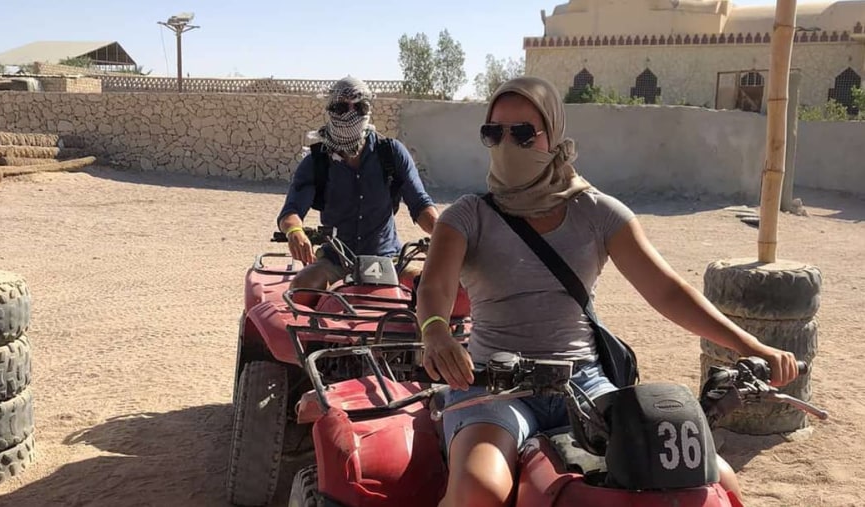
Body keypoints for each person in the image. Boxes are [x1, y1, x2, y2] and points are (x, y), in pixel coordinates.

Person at [415, 76, 800, 507]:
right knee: (478, 491)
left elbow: (667, 290)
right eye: (494, 132)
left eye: (523, 132)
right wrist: (435, 331)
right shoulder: (467, 216)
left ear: (553, 134)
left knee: (715, 480)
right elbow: (435, 286)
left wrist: (753, 347)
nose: (507, 144)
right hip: (491, 385)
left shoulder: (596, 212)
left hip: (583, 383)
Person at [276, 77, 438, 303]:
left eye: (359, 107)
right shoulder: (317, 161)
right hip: (335, 260)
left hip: (388, 259)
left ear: (368, 110)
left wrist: (444, 236)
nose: (351, 113)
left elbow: (420, 204)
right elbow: (291, 211)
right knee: (302, 290)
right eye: (342, 107)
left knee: (433, 291)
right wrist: (295, 232)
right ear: (330, 110)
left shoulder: (391, 153)